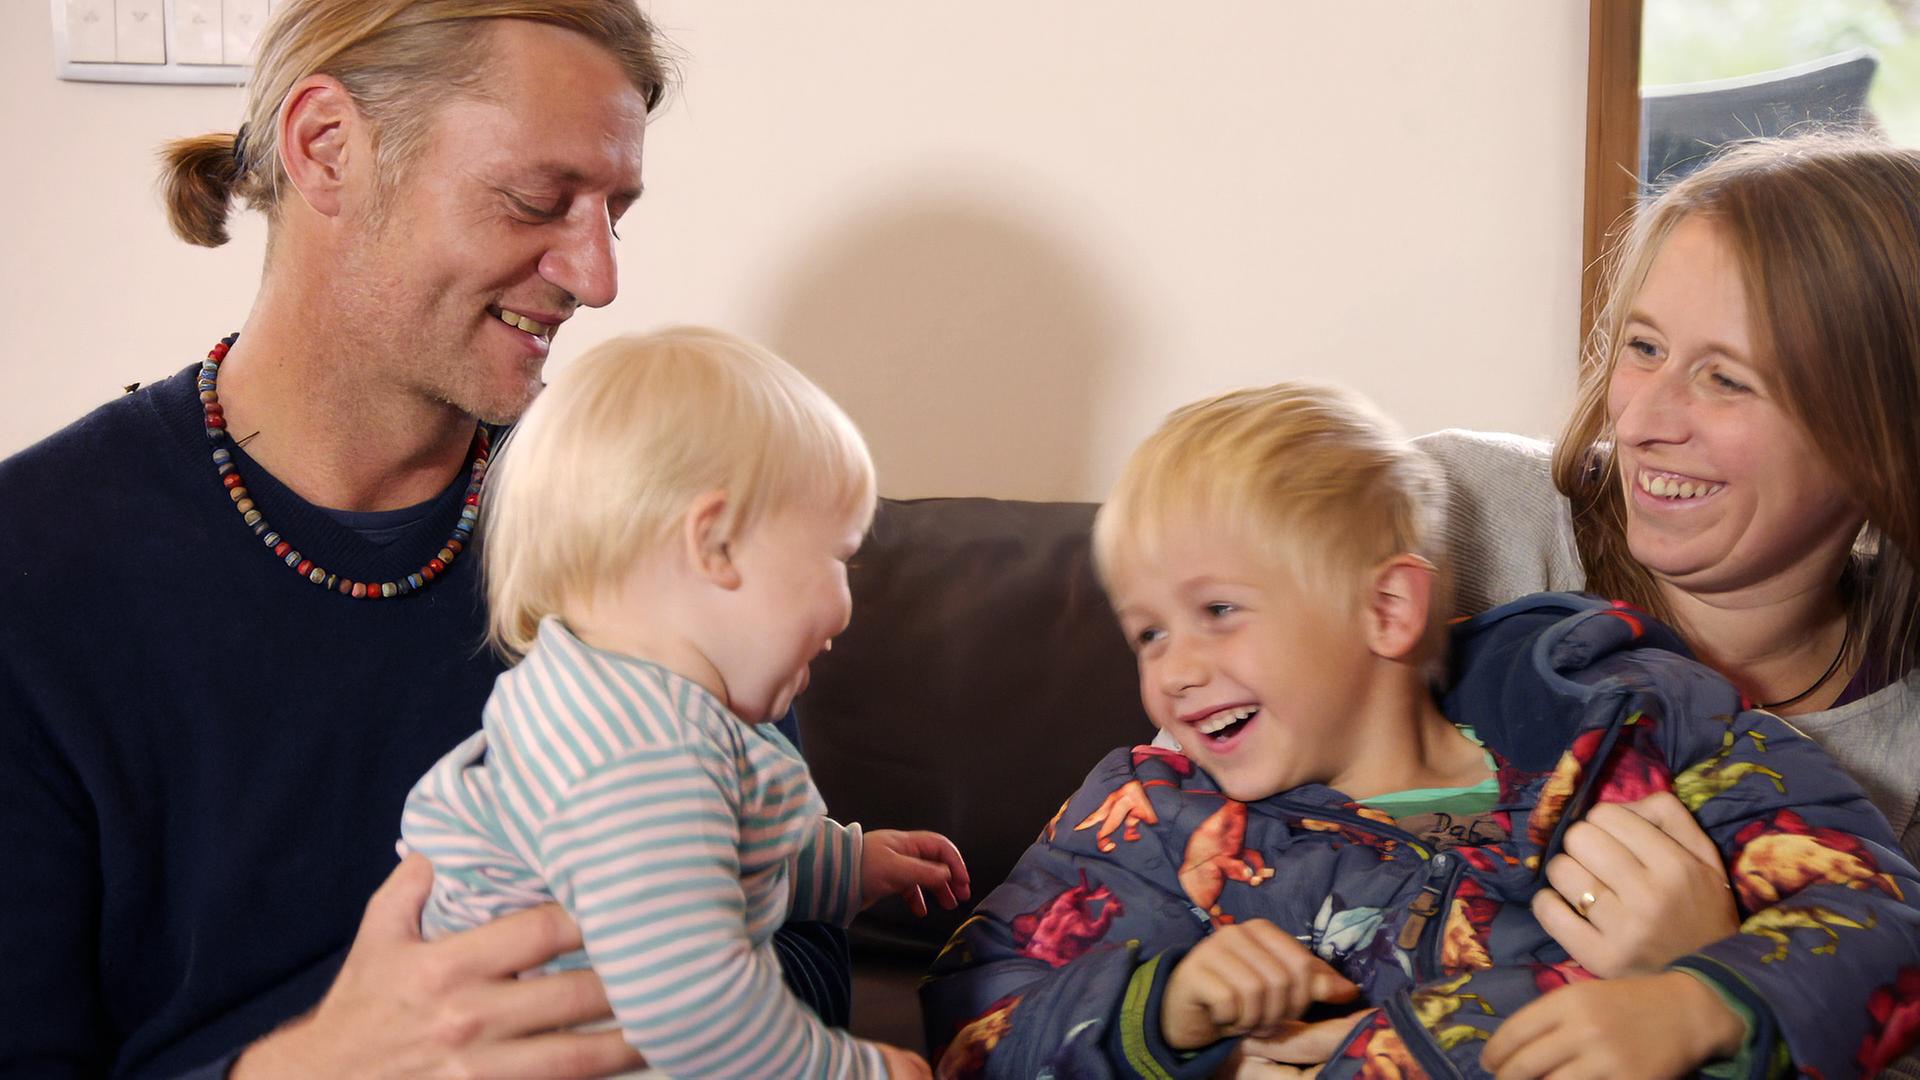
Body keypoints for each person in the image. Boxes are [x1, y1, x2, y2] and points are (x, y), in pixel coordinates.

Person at [0, 3, 849, 1077]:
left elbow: (811, 938)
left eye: (613, 213)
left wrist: (648, 995)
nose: (598, 278)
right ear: (327, 148)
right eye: (537, 200)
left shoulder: (640, 520)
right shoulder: (34, 575)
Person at [918, 382, 1920, 1079]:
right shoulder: (1150, 819)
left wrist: (1699, 1003)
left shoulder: (1634, 722)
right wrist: (1162, 1006)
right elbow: (971, 1024)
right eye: (1146, 631)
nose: (1172, 668)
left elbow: (1880, 912)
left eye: (1219, 611)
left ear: (1388, 609)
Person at [1419, 133, 1920, 1001]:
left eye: (1726, 379)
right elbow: (1157, 834)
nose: (1644, 419)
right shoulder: (1452, 513)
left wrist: (1721, 986)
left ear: (1881, 433)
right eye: (1643, 347)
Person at [399, 327, 968, 1078]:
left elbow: (716, 857)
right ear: (717, 545)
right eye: (837, 558)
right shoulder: (644, 752)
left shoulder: (613, 700)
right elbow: (697, 1007)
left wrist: (850, 865)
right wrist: (851, 1071)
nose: (846, 605)